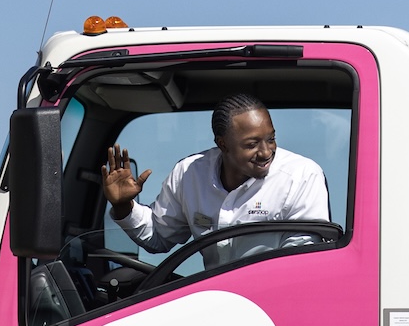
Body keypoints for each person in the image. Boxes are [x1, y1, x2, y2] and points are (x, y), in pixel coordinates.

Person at [100, 93, 332, 255]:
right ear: (222, 144)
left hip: (275, 307)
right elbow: (158, 237)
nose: (266, 152)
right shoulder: (188, 174)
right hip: (213, 305)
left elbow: (303, 257)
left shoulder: (302, 175)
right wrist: (124, 207)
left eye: (271, 139)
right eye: (252, 144)